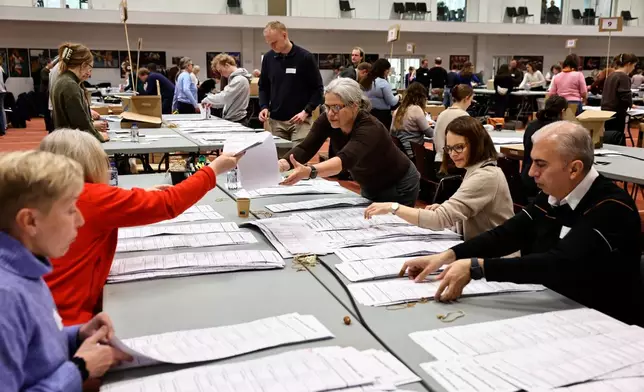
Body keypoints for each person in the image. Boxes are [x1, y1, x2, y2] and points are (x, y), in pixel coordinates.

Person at [400, 121, 643, 327]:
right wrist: (447, 256)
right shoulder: (554, 195)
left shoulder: (611, 208)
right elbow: (509, 233)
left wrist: (479, 268)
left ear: (574, 169)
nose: (530, 173)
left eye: (541, 164)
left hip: (602, 322)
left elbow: (560, 263)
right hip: (555, 306)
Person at [38, 129, 241, 325]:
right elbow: (170, 203)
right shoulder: (93, 198)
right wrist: (213, 169)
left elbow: (103, 206)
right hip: (68, 320)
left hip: (46, 306)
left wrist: (138, 195)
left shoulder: (48, 196)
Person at [0, 150, 133, 390]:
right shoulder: (6, 296)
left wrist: (76, 335)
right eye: (71, 209)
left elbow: (31, 349)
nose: (80, 220)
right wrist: (80, 369)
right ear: (30, 221)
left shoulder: (25, 266)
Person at [366, 116, 513, 240]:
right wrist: (447, 210)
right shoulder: (476, 170)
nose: (453, 154)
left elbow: (438, 219)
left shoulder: (485, 177)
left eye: (459, 147)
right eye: (449, 148)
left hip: (495, 260)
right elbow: (470, 214)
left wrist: (393, 207)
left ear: (477, 144)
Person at [279, 78, 419, 207]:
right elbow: (306, 148)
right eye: (327, 107)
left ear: (354, 106)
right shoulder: (327, 119)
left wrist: (310, 171)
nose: (330, 113)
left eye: (337, 107)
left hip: (399, 183)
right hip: (369, 183)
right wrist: (282, 164)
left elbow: (345, 159)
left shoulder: (369, 128)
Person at [259, 21, 323, 152]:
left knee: (297, 159)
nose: (272, 46)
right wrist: (264, 106)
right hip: (276, 121)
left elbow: (318, 89)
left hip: (300, 121)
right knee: (279, 163)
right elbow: (263, 86)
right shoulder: (268, 58)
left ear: (284, 35)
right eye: (269, 43)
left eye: (274, 42)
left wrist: (306, 111)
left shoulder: (305, 57)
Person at [50, 42, 107, 142]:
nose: (89, 74)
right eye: (90, 68)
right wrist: (99, 137)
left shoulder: (64, 80)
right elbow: (80, 124)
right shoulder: (70, 85)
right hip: (74, 144)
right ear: (84, 65)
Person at [522, 95, 568, 197]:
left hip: (527, 177)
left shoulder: (531, 125)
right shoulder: (561, 129)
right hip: (546, 182)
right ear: (563, 111)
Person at [201, 53, 252, 124]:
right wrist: (213, 104)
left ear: (227, 65)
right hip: (234, 119)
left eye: (220, 71)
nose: (221, 74)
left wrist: (207, 99)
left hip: (237, 121)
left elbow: (225, 97)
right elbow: (229, 101)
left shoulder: (239, 80)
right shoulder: (235, 79)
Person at [391, 82, 432, 160]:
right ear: (421, 97)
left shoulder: (398, 110)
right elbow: (429, 133)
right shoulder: (416, 109)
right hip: (414, 153)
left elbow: (392, 132)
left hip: (400, 152)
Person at [602, 53, 638, 138]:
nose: (634, 68)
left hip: (606, 110)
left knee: (608, 136)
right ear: (629, 64)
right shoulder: (623, 77)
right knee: (617, 136)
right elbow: (625, 95)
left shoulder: (610, 75)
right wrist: (630, 104)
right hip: (617, 112)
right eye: (634, 65)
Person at [434, 85, 473, 164]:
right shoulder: (463, 116)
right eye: (471, 100)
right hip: (453, 162)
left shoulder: (442, 114)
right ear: (466, 98)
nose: (470, 103)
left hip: (439, 160)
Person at [361, 58, 400, 129]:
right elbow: (392, 102)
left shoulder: (365, 80)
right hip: (382, 117)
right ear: (384, 70)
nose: (388, 71)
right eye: (388, 69)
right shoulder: (383, 83)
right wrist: (398, 96)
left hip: (367, 114)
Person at [0, 62, 6, 135]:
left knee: (0, 110)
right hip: (2, 90)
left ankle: (2, 129)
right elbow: (5, 76)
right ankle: (3, 126)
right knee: (1, 109)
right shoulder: (1, 68)